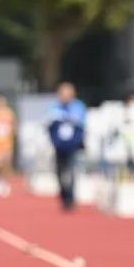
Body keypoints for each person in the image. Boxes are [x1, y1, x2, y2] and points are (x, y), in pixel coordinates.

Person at [46, 82, 87, 212]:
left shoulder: (78, 106)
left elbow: (81, 124)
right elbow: (49, 124)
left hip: (72, 146)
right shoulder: (54, 107)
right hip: (59, 146)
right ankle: (63, 194)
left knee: (70, 171)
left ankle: (70, 198)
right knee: (59, 171)